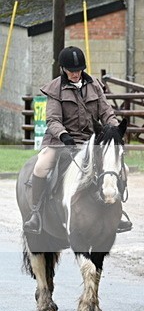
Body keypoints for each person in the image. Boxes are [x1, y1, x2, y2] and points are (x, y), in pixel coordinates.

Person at [23, 46, 132, 234]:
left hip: (90, 140)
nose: (75, 74)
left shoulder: (94, 85)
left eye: (78, 70)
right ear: (63, 69)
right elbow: (53, 119)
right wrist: (64, 135)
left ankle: (117, 210)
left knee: (122, 168)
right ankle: (36, 213)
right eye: (71, 70)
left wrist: (113, 129)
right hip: (60, 140)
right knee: (41, 165)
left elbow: (106, 111)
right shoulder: (55, 88)